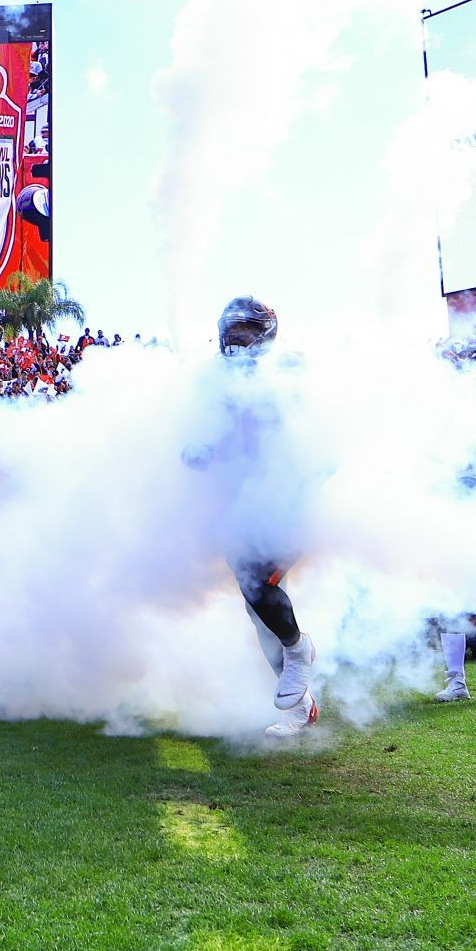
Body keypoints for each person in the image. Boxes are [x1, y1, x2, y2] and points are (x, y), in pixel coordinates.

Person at [185, 296, 319, 738]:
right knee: (254, 603)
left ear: (264, 335)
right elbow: (223, 434)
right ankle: (298, 706)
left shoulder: (286, 375)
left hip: (286, 501)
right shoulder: (220, 384)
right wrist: (201, 449)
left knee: (261, 585)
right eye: (230, 331)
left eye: (243, 332)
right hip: (243, 505)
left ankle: (300, 654)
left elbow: (313, 435)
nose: (233, 340)